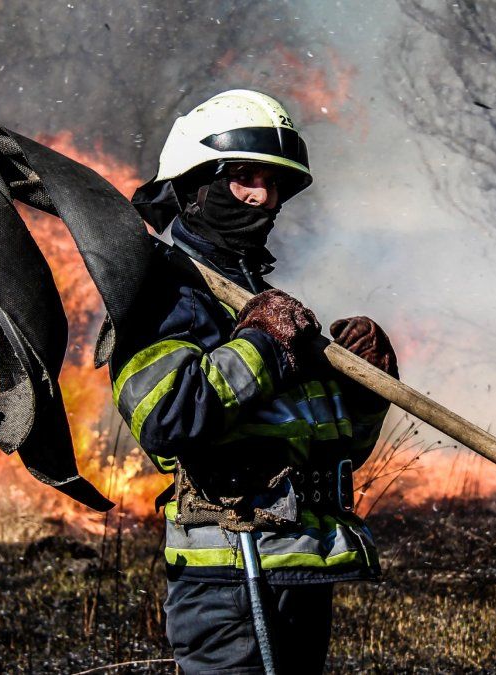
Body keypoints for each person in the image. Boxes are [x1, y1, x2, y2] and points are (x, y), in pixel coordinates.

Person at [113, 89, 398, 673]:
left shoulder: (260, 306)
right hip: (228, 581)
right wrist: (265, 345)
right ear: (195, 187)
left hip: (298, 573)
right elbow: (166, 418)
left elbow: (331, 447)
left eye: (273, 183)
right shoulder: (165, 294)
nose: (262, 197)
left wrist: (364, 394)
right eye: (243, 176)